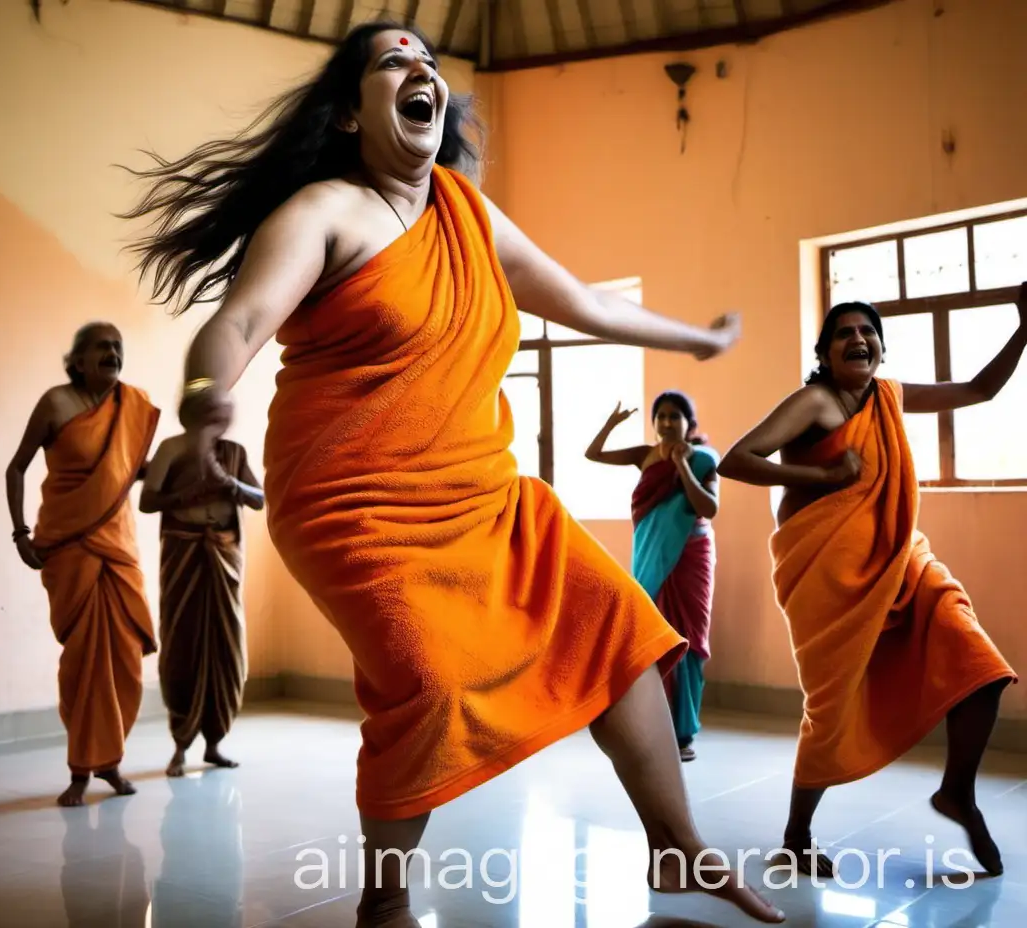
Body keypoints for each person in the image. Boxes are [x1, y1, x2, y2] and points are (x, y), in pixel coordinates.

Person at [122, 22, 782, 926]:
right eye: (393, 63)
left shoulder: (466, 213)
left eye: (427, 64)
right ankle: (385, 899)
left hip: (483, 492)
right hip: (349, 502)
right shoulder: (323, 211)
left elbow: (583, 301)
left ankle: (677, 850)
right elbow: (234, 326)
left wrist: (696, 338)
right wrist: (206, 403)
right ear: (351, 113)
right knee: (427, 683)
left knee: (624, 634)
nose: (419, 72)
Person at [717, 292, 1025, 879]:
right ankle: (797, 836)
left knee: (981, 669)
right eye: (844, 333)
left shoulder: (889, 396)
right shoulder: (813, 400)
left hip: (900, 557)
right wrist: (822, 474)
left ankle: (958, 793)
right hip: (828, 575)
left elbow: (979, 390)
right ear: (826, 352)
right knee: (831, 709)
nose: (858, 339)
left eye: (868, 332)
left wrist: (1023, 331)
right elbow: (738, 459)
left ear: (880, 347)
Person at [5, 322, 160, 807]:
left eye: (119, 346)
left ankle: (110, 762)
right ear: (76, 360)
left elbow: (137, 473)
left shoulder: (132, 405)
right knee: (82, 663)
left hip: (118, 547)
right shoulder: (55, 403)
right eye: (102, 346)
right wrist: (19, 533)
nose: (113, 353)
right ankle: (80, 768)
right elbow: (16, 467)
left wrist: (186, 460)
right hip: (68, 546)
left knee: (124, 662)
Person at [586, 391, 719, 762]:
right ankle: (653, 724)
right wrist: (611, 424)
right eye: (660, 416)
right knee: (650, 637)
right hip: (649, 555)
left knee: (688, 640)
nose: (666, 423)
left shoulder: (705, 458)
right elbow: (593, 454)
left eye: (675, 417)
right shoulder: (644, 455)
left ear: (688, 424)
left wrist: (684, 467)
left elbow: (707, 507)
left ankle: (683, 733)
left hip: (691, 558)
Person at [139, 433, 264, 776]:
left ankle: (214, 744)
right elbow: (147, 501)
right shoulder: (172, 449)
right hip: (184, 555)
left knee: (227, 647)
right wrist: (185, 495)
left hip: (225, 556)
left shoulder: (234, 452)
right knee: (183, 645)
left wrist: (231, 484)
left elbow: (259, 499)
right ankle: (180, 745)